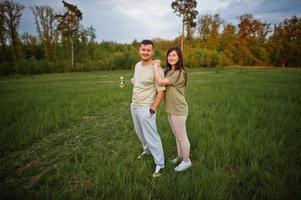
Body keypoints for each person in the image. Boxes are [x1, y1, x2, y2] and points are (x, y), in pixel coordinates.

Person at [152, 47, 192, 172]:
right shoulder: (169, 71)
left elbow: (159, 81)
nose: (171, 57)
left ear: (179, 57)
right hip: (170, 108)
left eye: (174, 55)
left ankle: (187, 161)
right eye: (169, 55)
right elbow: (157, 78)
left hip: (179, 109)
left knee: (181, 136)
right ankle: (180, 156)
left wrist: (155, 65)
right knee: (176, 135)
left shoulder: (179, 73)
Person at [130, 39, 165, 177]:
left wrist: (153, 109)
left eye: (148, 50)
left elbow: (161, 91)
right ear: (139, 50)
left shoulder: (156, 69)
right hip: (135, 105)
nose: (145, 52)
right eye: (143, 49)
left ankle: (160, 164)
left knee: (151, 135)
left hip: (147, 107)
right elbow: (136, 81)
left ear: (152, 52)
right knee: (140, 132)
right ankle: (147, 151)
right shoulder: (137, 65)